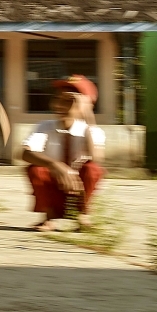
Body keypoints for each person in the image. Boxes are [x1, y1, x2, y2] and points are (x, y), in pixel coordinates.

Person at [22, 75, 106, 232]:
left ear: (86, 104)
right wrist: (55, 164)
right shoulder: (45, 126)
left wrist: (88, 118)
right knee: (36, 169)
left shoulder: (91, 130)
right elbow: (25, 153)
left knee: (92, 169)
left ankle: (82, 215)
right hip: (53, 190)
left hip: (78, 190)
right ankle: (49, 216)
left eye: (69, 101)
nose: (59, 105)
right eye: (57, 99)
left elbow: (97, 158)